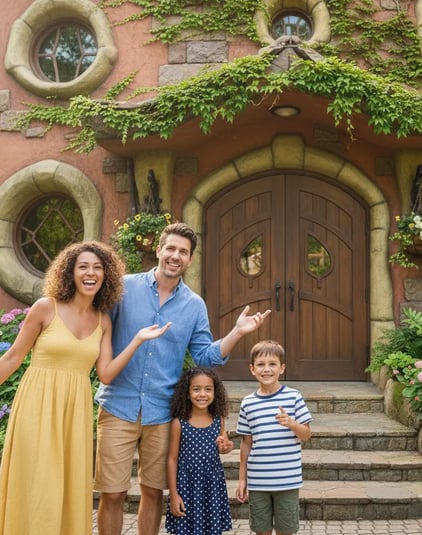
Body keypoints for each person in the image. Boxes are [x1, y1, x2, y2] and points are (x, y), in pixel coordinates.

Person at [0, 241, 170, 535]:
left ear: (106, 275)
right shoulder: (46, 308)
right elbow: (12, 358)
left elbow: (105, 374)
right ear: (70, 272)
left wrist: (137, 340)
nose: (91, 273)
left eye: (97, 268)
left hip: (74, 413)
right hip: (36, 407)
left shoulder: (103, 320)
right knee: (35, 483)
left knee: (66, 487)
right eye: (83, 267)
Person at [95, 221, 270, 535]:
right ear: (159, 250)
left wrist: (236, 333)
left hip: (162, 412)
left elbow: (204, 356)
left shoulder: (194, 305)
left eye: (183, 252)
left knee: (152, 491)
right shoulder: (124, 288)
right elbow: (97, 330)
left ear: (190, 260)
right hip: (117, 405)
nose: (175, 256)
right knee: (112, 493)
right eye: (171, 248)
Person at [235, 340, 312, 535]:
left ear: (282, 368)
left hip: (287, 481)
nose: (266, 369)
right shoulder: (248, 403)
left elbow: (306, 435)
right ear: (252, 369)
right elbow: (246, 444)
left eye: (272, 364)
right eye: (261, 364)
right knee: (261, 530)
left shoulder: (294, 397)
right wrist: (242, 480)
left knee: (286, 531)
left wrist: (292, 423)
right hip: (258, 482)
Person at [165, 367, 233, 535]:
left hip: (212, 486)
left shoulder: (219, 419)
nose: (202, 394)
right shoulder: (179, 422)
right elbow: (172, 459)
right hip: (187, 487)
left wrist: (227, 446)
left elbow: (223, 448)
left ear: (215, 392)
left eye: (208, 389)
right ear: (187, 393)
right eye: (196, 389)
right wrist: (173, 495)